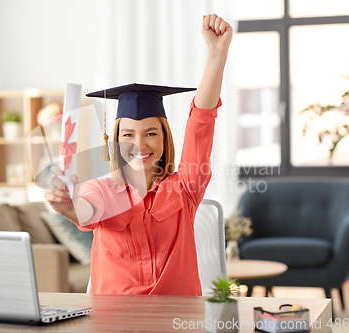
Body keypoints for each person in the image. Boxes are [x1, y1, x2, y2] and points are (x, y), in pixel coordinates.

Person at [45, 14, 232, 295]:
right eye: (128, 135)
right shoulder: (101, 190)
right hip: (115, 320)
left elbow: (201, 122)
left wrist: (217, 54)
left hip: (177, 319)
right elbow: (86, 211)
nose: (140, 145)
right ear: (115, 140)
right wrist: (69, 208)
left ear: (164, 137)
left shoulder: (185, 188)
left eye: (151, 133)